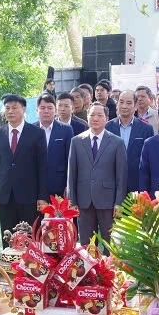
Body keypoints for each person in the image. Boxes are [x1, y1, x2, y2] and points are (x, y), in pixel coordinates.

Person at [0, 94, 49, 248]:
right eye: (7, 108)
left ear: (24, 109)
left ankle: (31, 270)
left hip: (29, 197)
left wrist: (42, 197)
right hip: (5, 196)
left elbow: (42, 167)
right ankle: (9, 270)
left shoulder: (37, 133)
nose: (10, 111)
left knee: (30, 237)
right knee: (8, 235)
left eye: (14, 107)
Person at [67, 103, 127, 249]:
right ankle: (87, 272)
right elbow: (72, 174)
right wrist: (72, 201)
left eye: (100, 115)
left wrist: (119, 203)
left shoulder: (117, 142)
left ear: (106, 118)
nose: (95, 118)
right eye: (92, 115)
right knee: (86, 244)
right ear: (87, 117)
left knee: (109, 242)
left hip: (107, 200)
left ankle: (108, 270)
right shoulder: (76, 141)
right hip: (83, 200)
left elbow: (121, 176)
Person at [106, 90, 154, 192]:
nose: (124, 106)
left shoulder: (146, 129)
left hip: (136, 183)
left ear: (136, 106)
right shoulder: (108, 127)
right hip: (112, 183)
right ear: (117, 104)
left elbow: (149, 160)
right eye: (121, 102)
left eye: (128, 103)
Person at [34, 94, 74, 198]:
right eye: (42, 108)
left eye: (50, 108)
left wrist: (68, 186)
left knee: (58, 214)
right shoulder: (30, 130)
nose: (46, 111)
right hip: (35, 185)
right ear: (36, 110)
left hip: (59, 185)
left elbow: (70, 160)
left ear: (55, 110)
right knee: (35, 215)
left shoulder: (66, 129)